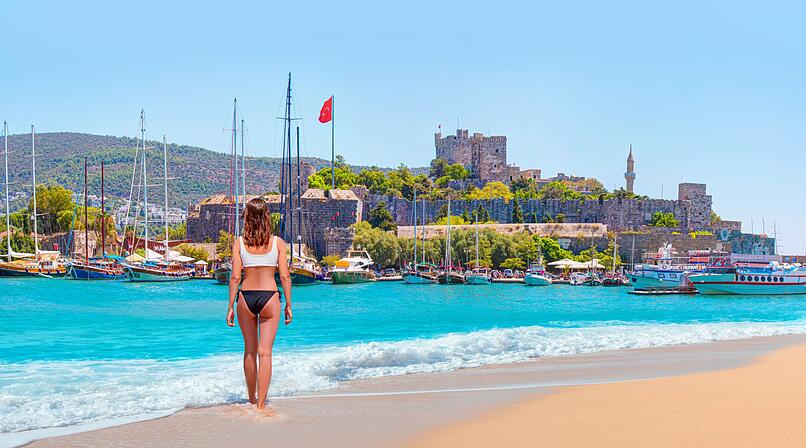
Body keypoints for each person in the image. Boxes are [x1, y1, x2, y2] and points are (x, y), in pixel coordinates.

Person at [226, 197, 293, 412]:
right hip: (269, 298)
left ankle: (251, 400)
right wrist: (289, 304)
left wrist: (230, 306)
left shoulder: (239, 243)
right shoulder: (278, 243)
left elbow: (235, 277)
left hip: (245, 297)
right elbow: (284, 276)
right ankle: (262, 406)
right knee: (265, 353)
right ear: (266, 217)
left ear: (247, 216)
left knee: (250, 351)